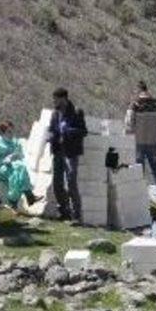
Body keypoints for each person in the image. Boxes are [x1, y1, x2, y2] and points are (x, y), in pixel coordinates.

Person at [125, 81, 156, 208]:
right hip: (153, 142)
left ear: (138, 90)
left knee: (138, 171)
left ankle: (137, 198)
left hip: (139, 143)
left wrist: (127, 140)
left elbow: (129, 124)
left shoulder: (135, 104)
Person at [48, 87, 87, 222]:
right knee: (57, 184)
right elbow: (52, 129)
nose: (54, 102)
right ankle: (64, 211)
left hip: (70, 152)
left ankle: (76, 215)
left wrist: (68, 131)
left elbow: (83, 131)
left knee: (71, 182)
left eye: (56, 99)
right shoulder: (55, 114)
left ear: (63, 99)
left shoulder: (76, 111)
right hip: (58, 151)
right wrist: (51, 136)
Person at [0, 120, 38, 209]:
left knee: (18, 171)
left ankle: (14, 201)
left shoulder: (15, 141)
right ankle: (27, 195)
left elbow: (21, 155)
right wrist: (4, 160)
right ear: (3, 132)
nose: (11, 134)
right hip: (1, 168)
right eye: (9, 132)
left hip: (14, 166)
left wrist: (15, 156)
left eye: (12, 131)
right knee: (19, 169)